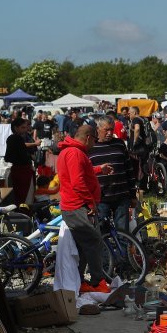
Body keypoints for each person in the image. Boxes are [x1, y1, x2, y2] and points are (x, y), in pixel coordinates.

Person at [57, 125, 114, 293]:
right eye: (95, 139)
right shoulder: (74, 153)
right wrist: (90, 203)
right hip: (77, 206)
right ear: (88, 137)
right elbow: (78, 182)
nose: (95, 144)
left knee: (83, 245)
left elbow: (81, 173)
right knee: (94, 241)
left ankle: (81, 281)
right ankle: (97, 282)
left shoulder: (72, 152)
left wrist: (98, 169)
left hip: (76, 205)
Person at [90, 116, 136, 231]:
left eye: (112, 129)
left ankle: (122, 250)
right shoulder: (90, 147)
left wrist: (133, 194)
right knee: (102, 232)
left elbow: (129, 169)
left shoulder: (119, 144)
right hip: (101, 199)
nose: (110, 133)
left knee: (123, 232)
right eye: (106, 130)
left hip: (121, 196)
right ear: (98, 129)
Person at [5, 118, 36, 207]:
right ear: (16, 128)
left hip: (19, 171)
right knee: (25, 198)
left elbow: (8, 157)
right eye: (23, 127)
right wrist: (29, 157)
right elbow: (11, 157)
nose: (25, 129)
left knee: (21, 197)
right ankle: (25, 216)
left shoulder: (14, 138)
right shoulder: (16, 138)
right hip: (23, 171)